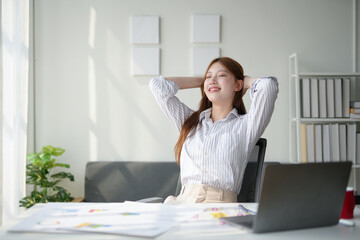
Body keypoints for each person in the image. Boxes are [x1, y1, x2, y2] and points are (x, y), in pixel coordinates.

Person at [149, 57, 278, 203]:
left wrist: (245, 82)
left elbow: (268, 86)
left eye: (222, 75)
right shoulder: (191, 122)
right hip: (183, 203)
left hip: (222, 206)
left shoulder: (246, 126)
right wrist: (202, 81)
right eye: (209, 76)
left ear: (237, 85)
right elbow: (158, 86)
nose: (213, 80)